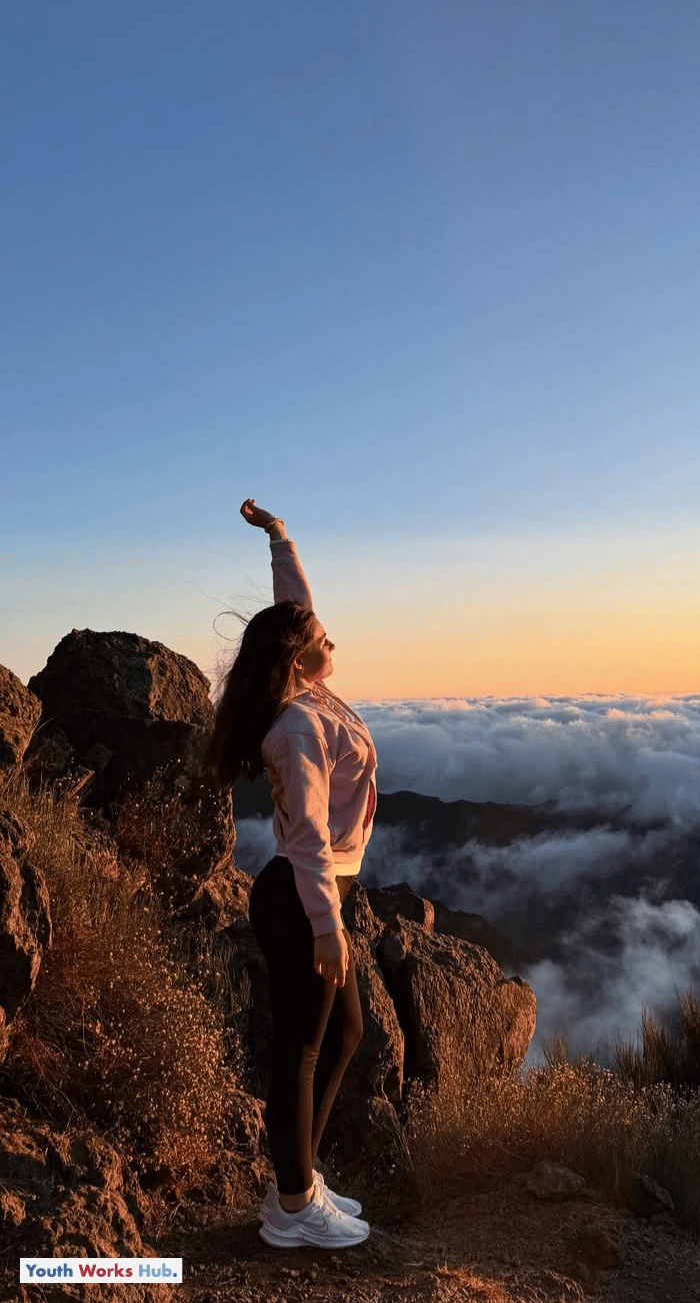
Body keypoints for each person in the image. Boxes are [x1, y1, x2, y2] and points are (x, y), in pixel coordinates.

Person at [206, 499, 377, 1249]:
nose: (328, 633)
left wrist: (280, 539)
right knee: (302, 1049)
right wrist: (328, 927)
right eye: (321, 638)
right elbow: (308, 840)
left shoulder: (301, 689)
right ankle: (292, 1206)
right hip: (302, 896)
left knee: (346, 1035)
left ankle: (298, 1175)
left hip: (311, 891)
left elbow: (293, 610)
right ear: (302, 660)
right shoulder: (299, 724)